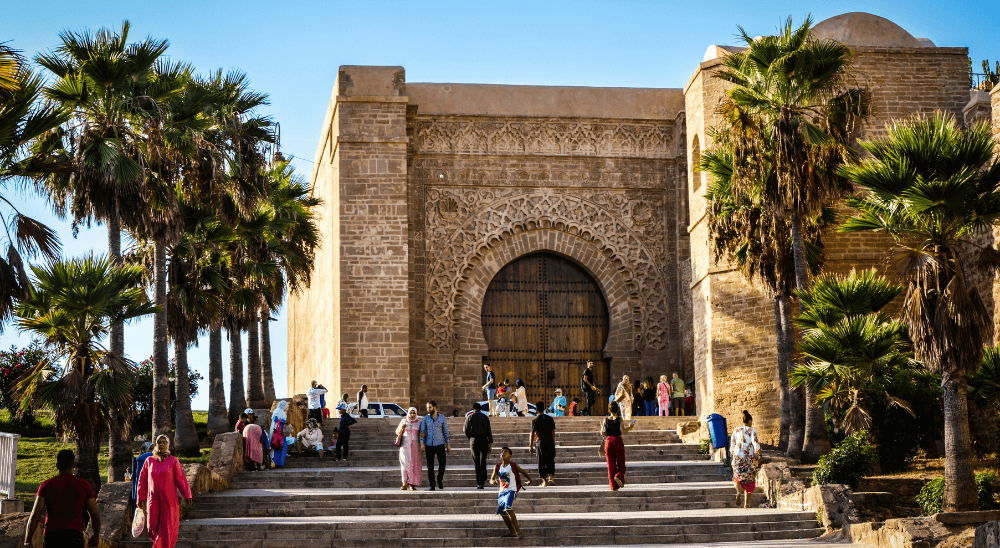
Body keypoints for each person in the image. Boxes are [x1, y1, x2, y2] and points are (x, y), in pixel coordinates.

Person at [24, 449, 101, 548]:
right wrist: (96, 536)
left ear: (57, 466)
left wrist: (27, 541)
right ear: (74, 465)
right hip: (74, 537)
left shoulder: (46, 485)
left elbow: (35, 515)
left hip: (52, 537)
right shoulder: (84, 485)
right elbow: (95, 515)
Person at [137, 435, 193, 548]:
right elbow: (142, 481)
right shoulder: (149, 461)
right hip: (153, 500)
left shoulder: (173, 461)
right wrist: (140, 498)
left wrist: (187, 495)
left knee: (166, 528)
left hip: (169, 501)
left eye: (164, 442)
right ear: (155, 444)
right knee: (151, 527)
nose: (161, 444)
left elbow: (181, 479)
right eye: (159, 442)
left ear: (167, 445)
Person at [490, 446, 532, 540]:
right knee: (502, 512)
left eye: (506, 452)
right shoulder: (497, 466)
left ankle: (518, 532)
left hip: (511, 490)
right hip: (502, 492)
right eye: (502, 451)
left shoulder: (513, 465)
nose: (503, 453)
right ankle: (512, 532)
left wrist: (530, 480)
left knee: (508, 508)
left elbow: (523, 471)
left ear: (510, 456)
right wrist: (493, 482)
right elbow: (492, 479)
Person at [599, 401, 636, 490]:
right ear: (618, 410)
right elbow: (623, 431)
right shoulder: (619, 419)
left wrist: (602, 426)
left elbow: (602, 433)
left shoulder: (606, 420)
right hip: (617, 441)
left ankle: (613, 487)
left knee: (611, 466)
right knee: (621, 463)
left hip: (608, 442)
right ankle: (619, 476)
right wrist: (630, 427)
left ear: (609, 410)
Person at [730, 410, 761, 508]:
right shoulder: (752, 430)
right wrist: (759, 454)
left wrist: (735, 455)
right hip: (748, 456)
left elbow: (732, 446)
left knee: (738, 477)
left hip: (738, 455)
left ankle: (739, 492)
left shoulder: (736, 430)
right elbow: (755, 443)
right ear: (750, 421)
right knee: (749, 479)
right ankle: (746, 503)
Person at [419, 400, 451, 490]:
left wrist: (448, 444)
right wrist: (422, 443)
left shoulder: (442, 418)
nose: (428, 409)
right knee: (430, 466)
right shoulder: (425, 419)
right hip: (429, 445)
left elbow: (445, 432)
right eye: (427, 407)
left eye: (429, 407)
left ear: (435, 407)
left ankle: (439, 479)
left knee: (442, 463)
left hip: (440, 444)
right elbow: (422, 432)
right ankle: (432, 484)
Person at [464, 402, 493, 489]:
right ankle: (483, 479)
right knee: (483, 461)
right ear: (480, 409)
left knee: (476, 462)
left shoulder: (469, 417)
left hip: (474, 440)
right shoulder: (485, 417)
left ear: (473, 409)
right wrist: (490, 443)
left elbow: (465, 430)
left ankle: (479, 483)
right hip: (484, 440)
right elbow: (489, 431)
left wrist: (471, 438)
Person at [396, 406, 422, 490]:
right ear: (408, 413)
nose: (412, 414)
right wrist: (402, 427)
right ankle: (404, 483)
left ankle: (412, 484)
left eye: (414, 413)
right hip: (405, 447)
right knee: (404, 465)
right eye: (410, 413)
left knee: (414, 465)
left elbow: (422, 434)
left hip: (415, 447)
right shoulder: (404, 421)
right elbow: (397, 432)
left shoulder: (419, 423)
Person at [530, 406, 556, 486]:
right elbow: (553, 432)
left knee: (541, 461)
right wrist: (552, 441)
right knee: (550, 459)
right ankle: (551, 477)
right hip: (550, 441)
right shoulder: (550, 419)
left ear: (537, 409)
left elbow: (532, 434)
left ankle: (544, 481)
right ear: (543, 409)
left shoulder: (535, 420)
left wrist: (530, 445)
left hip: (540, 442)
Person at [128, 441, 154, 518]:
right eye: (150, 448)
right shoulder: (143, 459)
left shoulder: (140, 459)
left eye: (153, 448)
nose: (152, 450)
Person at [270, 401, 289, 469]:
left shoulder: (276, 411)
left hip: (276, 433)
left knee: (277, 447)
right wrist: (283, 421)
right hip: (279, 433)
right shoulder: (279, 411)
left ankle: (276, 463)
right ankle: (280, 463)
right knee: (282, 447)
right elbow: (276, 419)